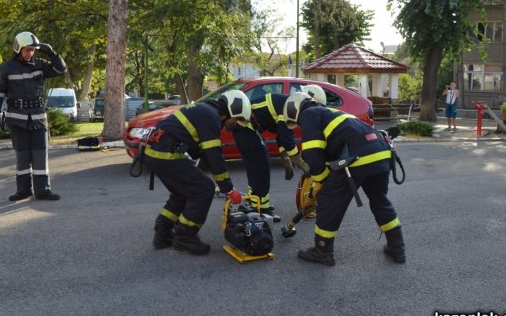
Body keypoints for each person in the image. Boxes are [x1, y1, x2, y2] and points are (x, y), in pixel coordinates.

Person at [283, 92, 405, 266]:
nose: (298, 127)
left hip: (358, 157)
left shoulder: (308, 115)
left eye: (295, 124)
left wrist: (320, 183)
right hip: (381, 152)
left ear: (293, 110)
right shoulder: (330, 113)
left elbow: (312, 154)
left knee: (328, 200)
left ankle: (322, 251)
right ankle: (397, 248)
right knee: (379, 200)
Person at [143, 90, 249, 255]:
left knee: (182, 193)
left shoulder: (204, 110)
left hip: (154, 153)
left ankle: (162, 234)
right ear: (231, 110)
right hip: (165, 154)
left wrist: (198, 175)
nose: (235, 123)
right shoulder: (210, 116)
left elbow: (202, 153)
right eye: (238, 118)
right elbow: (214, 155)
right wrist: (228, 188)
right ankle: (185, 237)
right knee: (204, 189)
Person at [0, 31, 68, 201]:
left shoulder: (40, 64)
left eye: (32, 50)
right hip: (17, 120)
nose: (30, 53)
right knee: (23, 157)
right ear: (18, 49)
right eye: (27, 50)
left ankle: (43, 191)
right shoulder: (6, 68)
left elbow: (61, 69)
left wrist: (51, 53)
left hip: (38, 120)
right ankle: (23, 191)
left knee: (40, 156)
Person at [228, 86, 325, 215]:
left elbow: (281, 134)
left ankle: (261, 205)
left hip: (247, 128)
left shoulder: (289, 105)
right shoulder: (288, 105)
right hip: (245, 127)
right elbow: (286, 137)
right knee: (260, 165)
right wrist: (300, 162)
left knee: (259, 166)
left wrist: (285, 159)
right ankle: (260, 208)